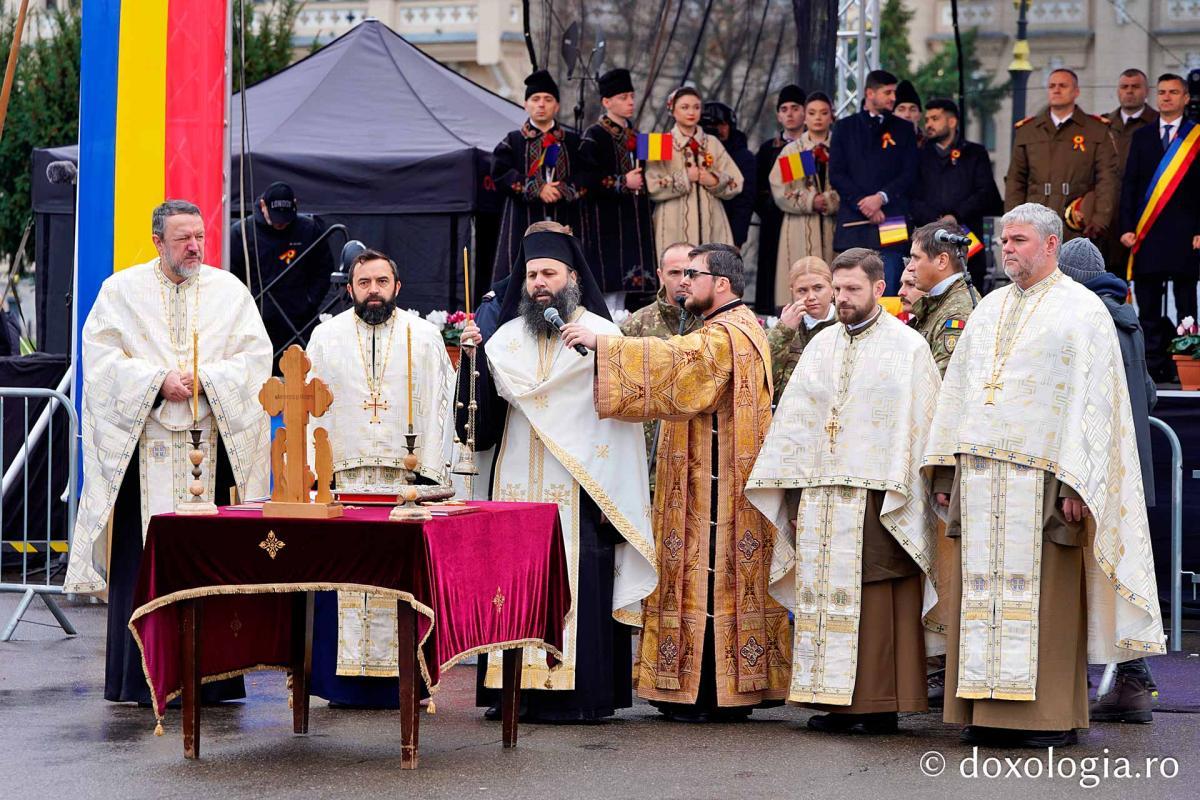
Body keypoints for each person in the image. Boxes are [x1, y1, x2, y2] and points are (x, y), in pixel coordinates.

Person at [924, 203, 1165, 748]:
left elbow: (1097, 404)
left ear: (1051, 244)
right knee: (979, 601)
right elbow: (958, 391)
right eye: (1004, 240)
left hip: (1046, 485)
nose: (1007, 248)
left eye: (1019, 240)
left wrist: (1080, 482)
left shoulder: (1082, 311)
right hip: (980, 482)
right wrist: (944, 470)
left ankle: (1045, 718)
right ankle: (984, 713)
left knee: (1045, 605)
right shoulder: (988, 309)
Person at [563, 243, 792, 722]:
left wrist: (603, 345)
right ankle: (715, 687)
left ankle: (707, 692)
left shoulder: (726, 333)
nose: (683, 282)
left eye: (694, 273)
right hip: (710, 476)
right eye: (681, 273)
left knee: (709, 577)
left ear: (722, 284)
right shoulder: (734, 327)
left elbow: (681, 362)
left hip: (714, 489)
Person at [66, 200, 273, 704]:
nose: (194, 247)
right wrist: (158, 381)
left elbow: (255, 359)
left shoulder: (229, 292)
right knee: (143, 564)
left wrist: (207, 380)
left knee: (212, 559)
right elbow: (101, 361)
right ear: (157, 241)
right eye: (183, 238)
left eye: (199, 236)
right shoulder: (121, 292)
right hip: (147, 452)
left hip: (211, 447)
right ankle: (141, 678)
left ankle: (214, 680)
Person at [458, 222, 656, 722]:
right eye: (531, 275)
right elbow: (479, 428)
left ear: (573, 278)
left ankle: (580, 696)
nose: (539, 283)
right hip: (514, 487)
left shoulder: (602, 334)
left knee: (577, 582)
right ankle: (512, 692)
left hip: (580, 484)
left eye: (549, 273)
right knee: (512, 583)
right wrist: (471, 362)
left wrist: (601, 353)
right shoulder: (504, 339)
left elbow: (628, 409)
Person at [746, 247, 941, 734]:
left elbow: (923, 424)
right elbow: (795, 424)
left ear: (879, 288)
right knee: (821, 597)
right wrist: (792, 493)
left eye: (852, 289)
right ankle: (831, 700)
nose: (842, 298)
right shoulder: (820, 346)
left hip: (880, 494)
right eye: (838, 289)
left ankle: (878, 705)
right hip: (820, 496)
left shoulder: (908, 347)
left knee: (878, 595)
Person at [305, 249, 456, 708]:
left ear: (397, 287)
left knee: (401, 577)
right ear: (350, 288)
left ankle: (405, 684)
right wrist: (313, 472)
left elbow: (441, 403)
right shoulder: (326, 337)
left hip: (404, 482)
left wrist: (432, 473)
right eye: (364, 282)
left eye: (382, 281)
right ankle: (342, 686)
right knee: (344, 573)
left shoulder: (424, 336)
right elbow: (308, 404)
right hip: (344, 479)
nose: (374, 290)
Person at [1057, 237, 1159, 724]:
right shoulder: (1127, 319)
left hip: (1097, 469)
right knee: (1121, 573)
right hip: (1133, 468)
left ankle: (1094, 682)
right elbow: (1149, 393)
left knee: (1087, 573)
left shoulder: (1088, 320)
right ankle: (1132, 685)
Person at [1118, 73, 1200, 383]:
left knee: (1186, 305)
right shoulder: (1142, 136)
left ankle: (1186, 365)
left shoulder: (1196, 136)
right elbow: (1130, 185)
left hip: (1186, 233)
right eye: (1162, 92)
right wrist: (1126, 227)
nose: (1166, 97)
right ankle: (1151, 368)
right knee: (1148, 305)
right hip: (1147, 233)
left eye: (1173, 92)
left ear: (1185, 98)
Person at [621, 241, 702, 494]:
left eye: (690, 273)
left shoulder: (715, 323)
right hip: (647, 462)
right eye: (674, 273)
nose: (683, 281)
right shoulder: (636, 325)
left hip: (700, 460)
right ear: (660, 275)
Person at [1004, 69, 1119, 244]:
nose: (1056, 90)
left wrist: (1099, 220)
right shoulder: (1028, 130)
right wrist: (1014, 221)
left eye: (1063, 86)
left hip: (1078, 222)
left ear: (1076, 91)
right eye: (1052, 86)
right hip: (1035, 223)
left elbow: (1107, 180)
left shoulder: (1096, 129)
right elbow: (1015, 180)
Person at [829, 69, 919, 294]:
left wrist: (881, 198)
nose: (893, 98)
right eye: (887, 92)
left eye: (894, 93)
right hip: (853, 220)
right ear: (870, 93)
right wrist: (863, 203)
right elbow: (837, 174)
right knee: (851, 289)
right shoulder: (844, 127)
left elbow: (909, 174)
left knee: (889, 285)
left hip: (891, 219)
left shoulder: (904, 129)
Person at [491, 70, 583, 281]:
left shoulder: (572, 142)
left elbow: (587, 175)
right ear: (526, 105)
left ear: (557, 106)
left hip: (564, 216)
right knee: (521, 274)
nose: (541, 104)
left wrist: (562, 189)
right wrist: (537, 188)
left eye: (548, 99)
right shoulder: (513, 141)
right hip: (522, 218)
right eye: (535, 99)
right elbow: (500, 173)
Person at [229, 181, 335, 366]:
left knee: (303, 371)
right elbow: (232, 276)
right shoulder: (242, 233)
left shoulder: (309, 229)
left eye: (285, 219)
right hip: (258, 320)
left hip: (300, 319)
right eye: (276, 218)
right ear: (263, 205)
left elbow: (324, 269)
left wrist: (310, 300)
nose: (281, 224)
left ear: (295, 205)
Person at [578, 68, 657, 313]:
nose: (630, 102)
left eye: (632, 96)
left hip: (634, 221)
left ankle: (620, 321)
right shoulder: (593, 135)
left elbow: (654, 171)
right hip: (606, 221)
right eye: (623, 97)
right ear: (606, 102)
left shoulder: (639, 136)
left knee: (628, 284)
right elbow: (585, 178)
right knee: (608, 280)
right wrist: (622, 182)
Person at [911, 99, 1003, 289]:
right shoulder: (918, 155)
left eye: (935, 119)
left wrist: (955, 216)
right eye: (927, 119)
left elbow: (986, 193)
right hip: (929, 240)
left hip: (968, 239)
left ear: (952, 122)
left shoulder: (974, 153)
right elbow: (911, 197)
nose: (928, 124)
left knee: (970, 291)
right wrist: (936, 221)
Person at [646, 87, 744, 255]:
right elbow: (651, 185)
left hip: (713, 225)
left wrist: (714, 180)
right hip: (672, 225)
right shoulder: (658, 141)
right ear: (672, 110)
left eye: (696, 107)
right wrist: (685, 178)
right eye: (684, 107)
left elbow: (737, 181)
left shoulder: (713, 142)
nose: (691, 112)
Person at [769, 91, 839, 308]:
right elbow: (783, 190)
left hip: (833, 225)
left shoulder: (840, 147)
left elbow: (852, 185)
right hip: (800, 226)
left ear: (832, 116)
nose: (818, 118)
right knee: (801, 272)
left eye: (823, 113)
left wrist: (830, 200)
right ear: (805, 117)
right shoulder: (794, 151)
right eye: (812, 113)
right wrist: (811, 201)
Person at [754, 84, 806, 313]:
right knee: (772, 273)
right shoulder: (768, 149)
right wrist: (769, 209)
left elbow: (802, 186)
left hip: (804, 220)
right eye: (784, 109)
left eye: (795, 108)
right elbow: (756, 189)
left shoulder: (811, 148)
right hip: (774, 223)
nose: (790, 114)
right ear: (778, 115)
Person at [1103, 69, 1159, 275]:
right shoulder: (1103, 124)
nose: (1129, 91)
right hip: (1108, 214)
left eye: (1135, 87)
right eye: (1124, 87)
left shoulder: (1158, 123)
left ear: (1146, 91)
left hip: (1144, 212)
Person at [906, 221, 977, 377]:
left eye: (916, 258)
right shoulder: (942, 300)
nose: (910, 267)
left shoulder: (957, 312)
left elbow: (942, 380)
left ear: (942, 261)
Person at [766, 256, 836, 402]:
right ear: (792, 292)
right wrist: (783, 332)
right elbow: (763, 379)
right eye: (802, 291)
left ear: (832, 288)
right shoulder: (782, 329)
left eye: (818, 288)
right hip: (790, 410)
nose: (811, 297)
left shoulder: (847, 325)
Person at [702, 101, 757, 249]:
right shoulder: (678, 145)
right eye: (709, 124)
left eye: (721, 124)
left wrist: (737, 240)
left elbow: (745, 202)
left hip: (724, 232)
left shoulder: (744, 158)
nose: (716, 129)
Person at [894, 79, 924, 144]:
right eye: (901, 110)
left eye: (912, 110)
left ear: (920, 115)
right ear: (893, 115)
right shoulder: (883, 143)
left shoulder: (929, 146)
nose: (907, 115)